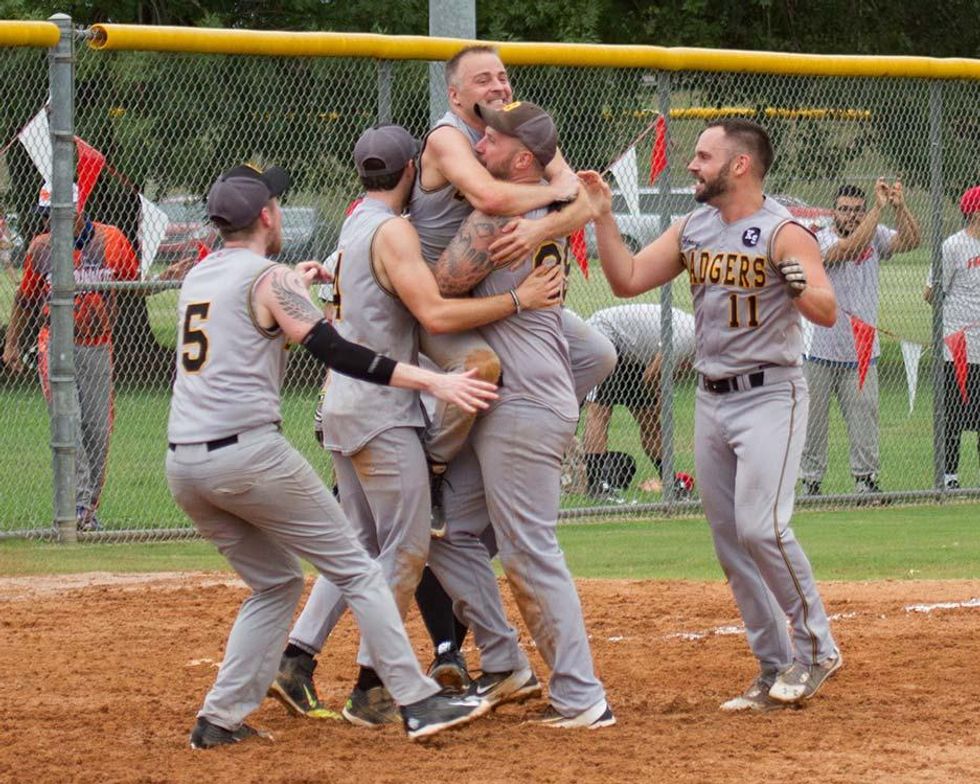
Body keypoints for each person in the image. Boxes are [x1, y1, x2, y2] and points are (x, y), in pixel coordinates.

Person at [166, 162, 494, 747]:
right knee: (359, 567)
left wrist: (299, 282)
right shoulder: (270, 279)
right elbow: (336, 351)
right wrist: (433, 382)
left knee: (275, 583)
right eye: (275, 203)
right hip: (248, 456)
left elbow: (258, 307)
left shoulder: (201, 276)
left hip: (185, 466)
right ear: (267, 216)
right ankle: (417, 701)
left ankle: (218, 720)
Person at [273, 124, 563, 727]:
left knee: (361, 543)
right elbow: (433, 309)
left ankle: (296, 658)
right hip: (382, 410)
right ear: (411, 170)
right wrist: (518, 301)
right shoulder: (395, 229)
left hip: (343, 404)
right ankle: (374, 686)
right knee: (405, 551)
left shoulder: (354, 222)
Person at [580, 117, 843, 712]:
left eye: (703, 156)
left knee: (763, 527)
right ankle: (774, 664)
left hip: (771, 392)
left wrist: (802, 284)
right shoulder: (693, 226)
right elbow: (625, 281)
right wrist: (602, 214)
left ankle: (818, 649)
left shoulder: (784, 231)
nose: (692, 166)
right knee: (730, 541)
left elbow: (825, 310)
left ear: (740, 165)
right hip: (710, 395)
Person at [423, 101, 615, 729]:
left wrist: (384, 249)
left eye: (493, 139)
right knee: (440, 532)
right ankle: (506, 660)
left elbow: (436, 288)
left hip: (524, 407)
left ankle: (583, 697)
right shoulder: (547, 205)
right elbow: (583, 196)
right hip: (515, 404)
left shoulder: (503, 216)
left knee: (531, 552)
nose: (479, 144)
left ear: (523, 158)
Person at [410, 44, 617, 530]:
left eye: (502, 76)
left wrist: (541, 227)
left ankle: (511, 429)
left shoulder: (518, 129)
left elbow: (587, 200)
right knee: (483, 366)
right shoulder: (449, 136)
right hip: (435, 293)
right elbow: (491, 196)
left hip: (487, 283)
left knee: (598, 354)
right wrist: (552, 195)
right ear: (455, 93)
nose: (498, 86)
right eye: (483, 79)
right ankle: (432, 468)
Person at [2, 184, 139, 530]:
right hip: (55, 342)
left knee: (98, 430)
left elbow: (134, 284)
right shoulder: (43, 247)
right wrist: (12, 345)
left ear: (77, 210)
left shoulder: (111, 241)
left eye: (57, 212)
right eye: (47, 213)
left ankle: (87, 513)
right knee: (69, 423)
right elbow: (25, 298)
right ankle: (75, 507)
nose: (50, 220)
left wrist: (167, 280)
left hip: (98, 344)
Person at [800, 179, 921, 496]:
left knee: (865, 418)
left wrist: (899, 207)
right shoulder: (818, 238)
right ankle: (811, 482)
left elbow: (911, 241)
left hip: (862, 350)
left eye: (857, 211)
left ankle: (865, 480)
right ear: (833, 212)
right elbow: (849, 248)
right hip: (819, 349)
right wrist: (877, 211)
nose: (850, 216)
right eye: (844, 210)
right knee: (813, 421)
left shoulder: (876, 234)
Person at [580, 303, 696, 498]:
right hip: (605, 336)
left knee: (650, 421)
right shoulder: (686, 339)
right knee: (601, 410)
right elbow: (651, 377)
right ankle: (596, 484)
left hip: (634, 354)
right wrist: (658, 397)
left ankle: (669, 481)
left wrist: (655, 400)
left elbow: (663, 374)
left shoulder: (698, 343)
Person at [924, 186, 980, 489]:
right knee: (953, 415)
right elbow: (931, 292)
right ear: (974, 212)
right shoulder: (953, 246)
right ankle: (949, 477)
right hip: (957, 348)